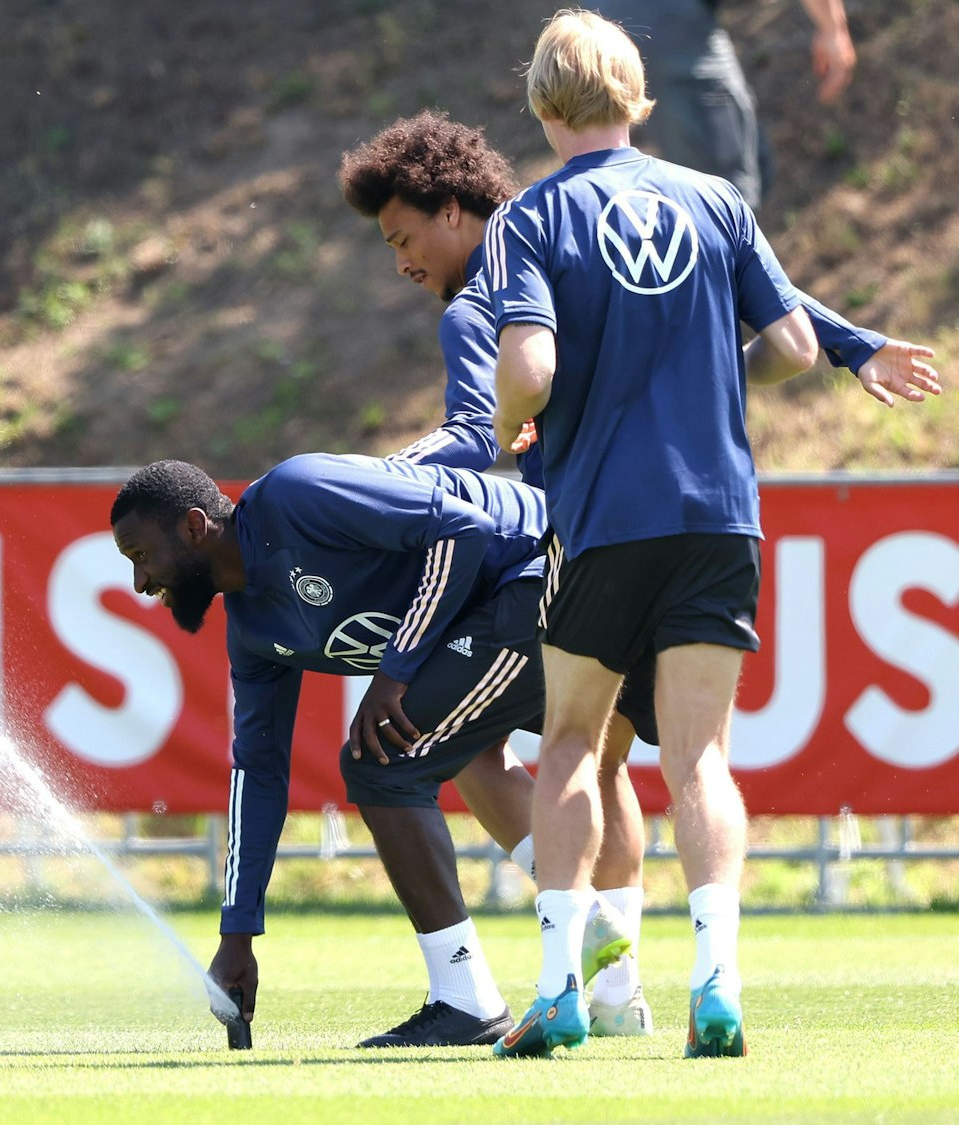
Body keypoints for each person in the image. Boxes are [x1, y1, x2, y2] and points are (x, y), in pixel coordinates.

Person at [337, 108, 927, 1036]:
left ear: (453, 209)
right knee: (650, 759)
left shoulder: (497, 275)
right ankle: (639, 984)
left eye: (403, 239)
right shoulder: (678, 207)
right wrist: (851, 346)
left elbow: (481, 424)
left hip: (587, 537)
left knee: (517, 752)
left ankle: (572, 973)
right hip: (711, 523)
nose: (401, 262)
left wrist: (372, 479)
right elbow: (742, 295)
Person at [483, 12, 937, 1059]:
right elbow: (785, 341)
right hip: (717, 518)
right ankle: (717, 984)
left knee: (565, 748)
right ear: (639, 101)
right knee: (698, 761)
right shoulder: (713, 200)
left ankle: (556, 989)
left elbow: (529, 370)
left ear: (544, 108)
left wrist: (506, 433)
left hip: (601, 517)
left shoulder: (528, 218)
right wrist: (709, 376)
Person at [112, 455, 639, 1049]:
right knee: (463, 752)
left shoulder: (294, 495)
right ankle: (612, 976)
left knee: (383, 763)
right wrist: (238, 935)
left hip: (552, 567)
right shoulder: (253, 631)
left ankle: (468, 998)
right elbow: (258, 771)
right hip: (514, 603)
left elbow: (463, 529)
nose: (141, 583)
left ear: (191, 527)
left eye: (140, 556)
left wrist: (394, 672)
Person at [590, 0, 856, 207]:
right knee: (724, 189)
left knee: (745, 167)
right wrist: (833, 28)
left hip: (622, 20)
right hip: (661, 21)